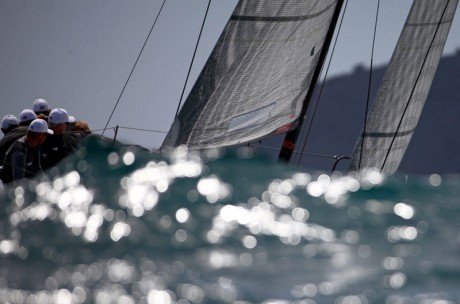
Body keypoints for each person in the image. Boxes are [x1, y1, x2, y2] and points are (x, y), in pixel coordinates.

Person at [1, 119, 53, 184]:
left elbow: (38, 170)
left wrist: (48, 182)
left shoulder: (35, 145)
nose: (46, 137)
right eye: (45, 135)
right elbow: (18, 182)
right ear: (40, 136)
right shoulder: (19, 152)